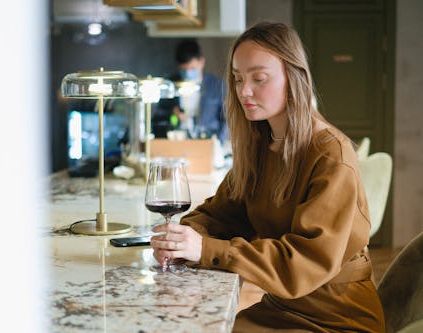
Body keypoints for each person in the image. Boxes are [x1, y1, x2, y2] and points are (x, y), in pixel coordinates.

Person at [150, 22, 385, 332]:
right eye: (237, 79)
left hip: (337, 318)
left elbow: (302, 262)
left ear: (294, 77)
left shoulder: (329, 153)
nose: (244, 91)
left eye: (259, 78)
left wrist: (206, 250)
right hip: (283, 308)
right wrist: (182, 239)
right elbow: (222, 213)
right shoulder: (261, 145)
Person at [154, 39, 227, 142]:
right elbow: (159, 119)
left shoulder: (216, 85)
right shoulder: (170, 85)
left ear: (201, 62)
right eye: (184, 70)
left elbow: (227, 120)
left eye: (192, 68)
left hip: (207, 141)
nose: (188, 74)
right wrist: (172, 115)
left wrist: (218, 143)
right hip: (178, 141)